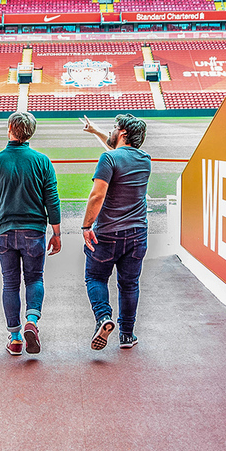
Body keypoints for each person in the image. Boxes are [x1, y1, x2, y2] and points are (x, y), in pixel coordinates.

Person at [0, 111, 62, 356]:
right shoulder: (42, 161)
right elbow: (52, 201)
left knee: (10, 283)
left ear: (9, 128)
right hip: (34, 232)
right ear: (30, 133)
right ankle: (32, 321)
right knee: (35, 279)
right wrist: (57, 233)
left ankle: (15, 338)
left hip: (3, 232)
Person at [81, 114, 150, 350]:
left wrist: (86, 226)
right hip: (138, 234)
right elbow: (118, 153)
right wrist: (97, 131)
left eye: (114, 128)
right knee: (129, 284)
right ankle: (127, 335)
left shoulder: (108, 159)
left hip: (107, 234)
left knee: (96, 278)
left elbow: (97, 195)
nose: (111, 131)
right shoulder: (145, 160)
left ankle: (103, 317)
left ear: (122, 133)